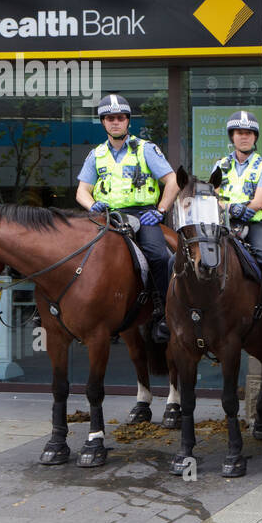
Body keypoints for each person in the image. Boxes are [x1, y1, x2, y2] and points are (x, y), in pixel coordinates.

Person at [75, 93, 179, 343]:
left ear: (128, 121)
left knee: (159, 255)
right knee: (77, 253)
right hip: (106, 216)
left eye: (120, 118)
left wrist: (161, 210)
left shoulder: (146, 149)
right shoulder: (96, 154)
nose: (115, 122)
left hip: (143, 216)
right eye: (110, 118)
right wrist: (92, 205)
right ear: (103, 122)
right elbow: (82, 191)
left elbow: (173, 180)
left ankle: (165, 313)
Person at [212, 110, 262, 341]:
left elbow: (259, 200)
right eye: (239, 133)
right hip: (224, 224)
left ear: (255, 137)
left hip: (252, 224)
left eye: (248, 133)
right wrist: (229, 208)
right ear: (232, 137)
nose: (244, 137)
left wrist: (240, 208)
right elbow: (213, 195)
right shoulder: (221, 165)